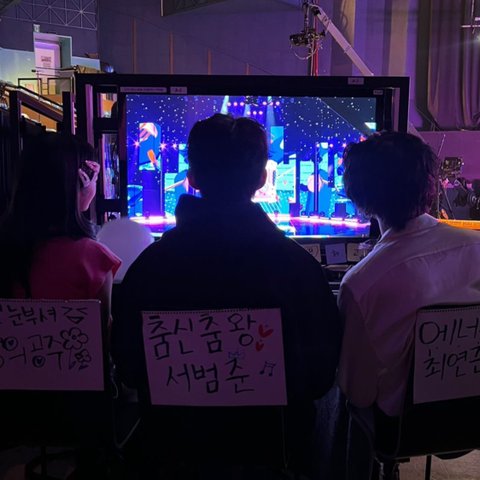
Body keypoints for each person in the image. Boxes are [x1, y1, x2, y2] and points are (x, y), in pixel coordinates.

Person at [112, 113, 341, 478]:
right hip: (274, 447)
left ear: (192, 176)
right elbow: (320, 377)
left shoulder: (150, 267)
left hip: (173, 448)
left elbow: (128, 367)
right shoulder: (299, 269)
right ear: (262, 178)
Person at [337, 131, 480, 474]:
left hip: (404, 430)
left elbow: (358, 393)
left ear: (361, 198)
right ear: (430, 185)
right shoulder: (475, 247)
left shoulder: (361, 283)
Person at [0, 132, 121, 324]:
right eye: (95, 178)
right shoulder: (94, 258)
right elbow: (102, 335)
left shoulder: (8, 248)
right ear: (80, 182)